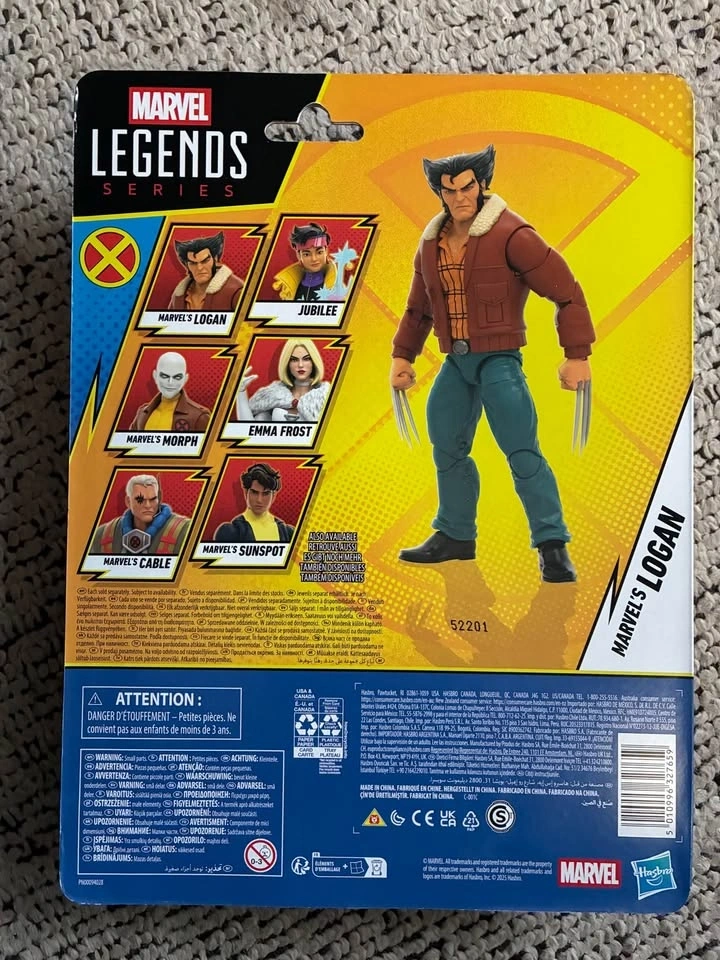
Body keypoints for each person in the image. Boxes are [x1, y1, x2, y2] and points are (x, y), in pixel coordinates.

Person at [391, 146, 595, 582]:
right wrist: (402, 355)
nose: (459, 197)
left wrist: (577, 355)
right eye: (449, 190)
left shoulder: (512, 234)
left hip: (499, 360)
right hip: (456, 362)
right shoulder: (429, 245)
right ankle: (455, 534)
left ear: (482, 184)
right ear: (439, 193)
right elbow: (418, 309)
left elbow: (567, 292)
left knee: (521, 449)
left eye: (467, 187)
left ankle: (552, 544)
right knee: (445, 442)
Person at [90, 474, 190, 555]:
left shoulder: (185, 530)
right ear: (128, 501)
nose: (148, 505)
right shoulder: (102, 535)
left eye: (152, 499)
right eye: (140, 500)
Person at [235, 339, 330, 423]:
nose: (300, 365)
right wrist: (241, 391)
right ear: (287, 363)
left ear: (314, 361)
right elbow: (249, 429)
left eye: (306, 359)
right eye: (294, 360)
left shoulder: (326, 396)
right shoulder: (271, 396)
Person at [129, 351, 211, 432]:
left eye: (177, 377)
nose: (170, 382)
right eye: (164, 376)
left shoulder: (199, 416)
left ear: (185, 379)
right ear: (155, 376)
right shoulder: (143, 413)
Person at [214, 463, 294, 543]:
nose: (259, 500)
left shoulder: (288, 532)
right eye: (254, 492)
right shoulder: (230, 532)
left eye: (266, 493)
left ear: (273, 496)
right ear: (246, 492)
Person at [168, 231, 244, 311]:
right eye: (193, 263)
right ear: (186, 265)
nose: (199, 268)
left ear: (215, 259)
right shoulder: (178, 296)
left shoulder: (235, 291)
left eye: (205, 261)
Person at [271, 223, 342, 301]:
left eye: (319, 252)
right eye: (307, 254)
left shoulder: (337, 287)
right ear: (299, 255)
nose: (314, 259)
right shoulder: (288, 290)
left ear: (326, 251)